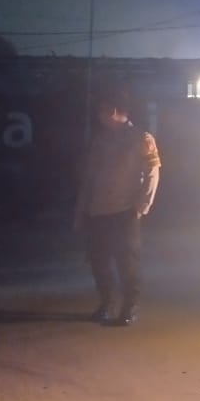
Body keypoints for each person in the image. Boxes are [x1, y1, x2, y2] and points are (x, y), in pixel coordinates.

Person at [74, 88, 162, 326]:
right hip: (97, 211)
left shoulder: (141, 138)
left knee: (127, 263)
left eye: (101, 110)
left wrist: (142, 206)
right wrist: (81, 210)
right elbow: (89, 178)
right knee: (98, 261)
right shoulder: (100, 140)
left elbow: (152, 173)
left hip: (125, 211)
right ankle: (107, 303)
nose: (99, 116)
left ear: (113, 111)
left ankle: (129, 307)